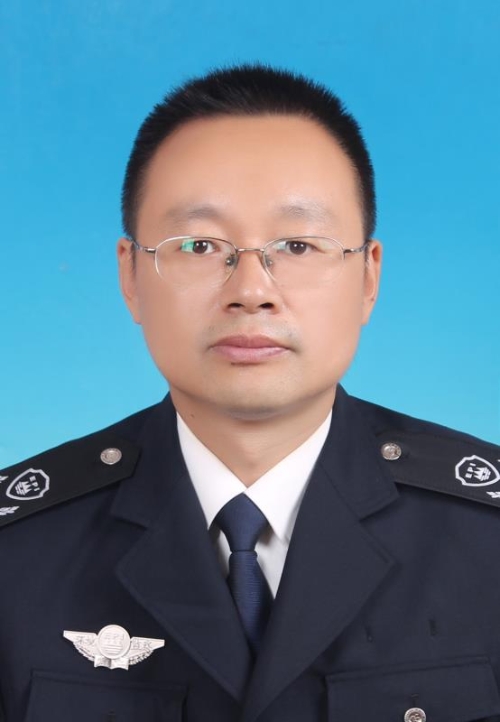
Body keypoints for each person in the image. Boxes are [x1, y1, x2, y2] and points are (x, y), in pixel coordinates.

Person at [1, 64, 499, 722]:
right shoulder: (18, 553)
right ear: (131, 277)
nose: (252, 290)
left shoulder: (485, 539)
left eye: (298, 244)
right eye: (199, 244)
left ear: (368, 277)